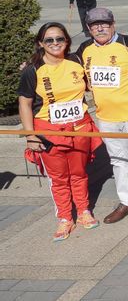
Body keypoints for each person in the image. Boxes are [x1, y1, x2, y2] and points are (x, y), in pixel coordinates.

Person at [19, 22, 102, 241]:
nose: (55, 43)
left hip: (79, 128)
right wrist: (30, 136)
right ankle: (65, 217)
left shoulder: (76, 61)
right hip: (49, 132)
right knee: (58, 178)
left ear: (67, 41)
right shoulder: (32, 70)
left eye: (60, 39)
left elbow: (91, 83)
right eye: (49, 40)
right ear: (41, 43)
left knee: (79, 173)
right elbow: (25, 104)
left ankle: (84, 210)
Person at [77, 8, 128, 225]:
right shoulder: (84, 49)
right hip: (106, 116)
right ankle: (126, 201)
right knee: (118, 160)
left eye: (104, 24)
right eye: (94, 25)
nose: (100, 28)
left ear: (113, 24)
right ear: (89, 29)